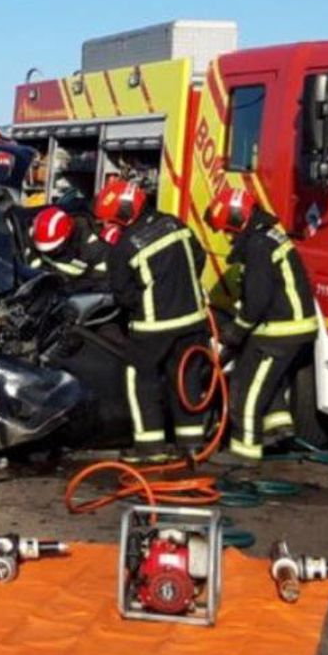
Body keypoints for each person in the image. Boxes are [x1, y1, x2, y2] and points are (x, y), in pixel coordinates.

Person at [99, 178, 211, 460]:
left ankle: (150, 447)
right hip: (193, 321)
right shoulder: (175, 224)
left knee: (140, 379)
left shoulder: (125, 246)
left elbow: (123, 294)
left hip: (154, 328)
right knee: (186, 380)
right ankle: (192, 444)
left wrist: (145, 304)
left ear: (123, 214)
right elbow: (198, 258)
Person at [208, 187, 317, 459]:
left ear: (237, 220)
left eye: (228, 230)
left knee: (246, 389)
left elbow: (257, 299)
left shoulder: (257, 245)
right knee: (268, 380)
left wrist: (236, 331)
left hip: (280, 331)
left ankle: (244, 453)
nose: (228, 237)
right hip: (294, 327)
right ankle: (278, 428)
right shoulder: (267, 235)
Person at [30, 205, 108, 285]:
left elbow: (98, 281)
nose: (49, 253)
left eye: (54, 249)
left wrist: (68, 288)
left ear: (67, 237)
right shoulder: (31, 238)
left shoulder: (93, 248)